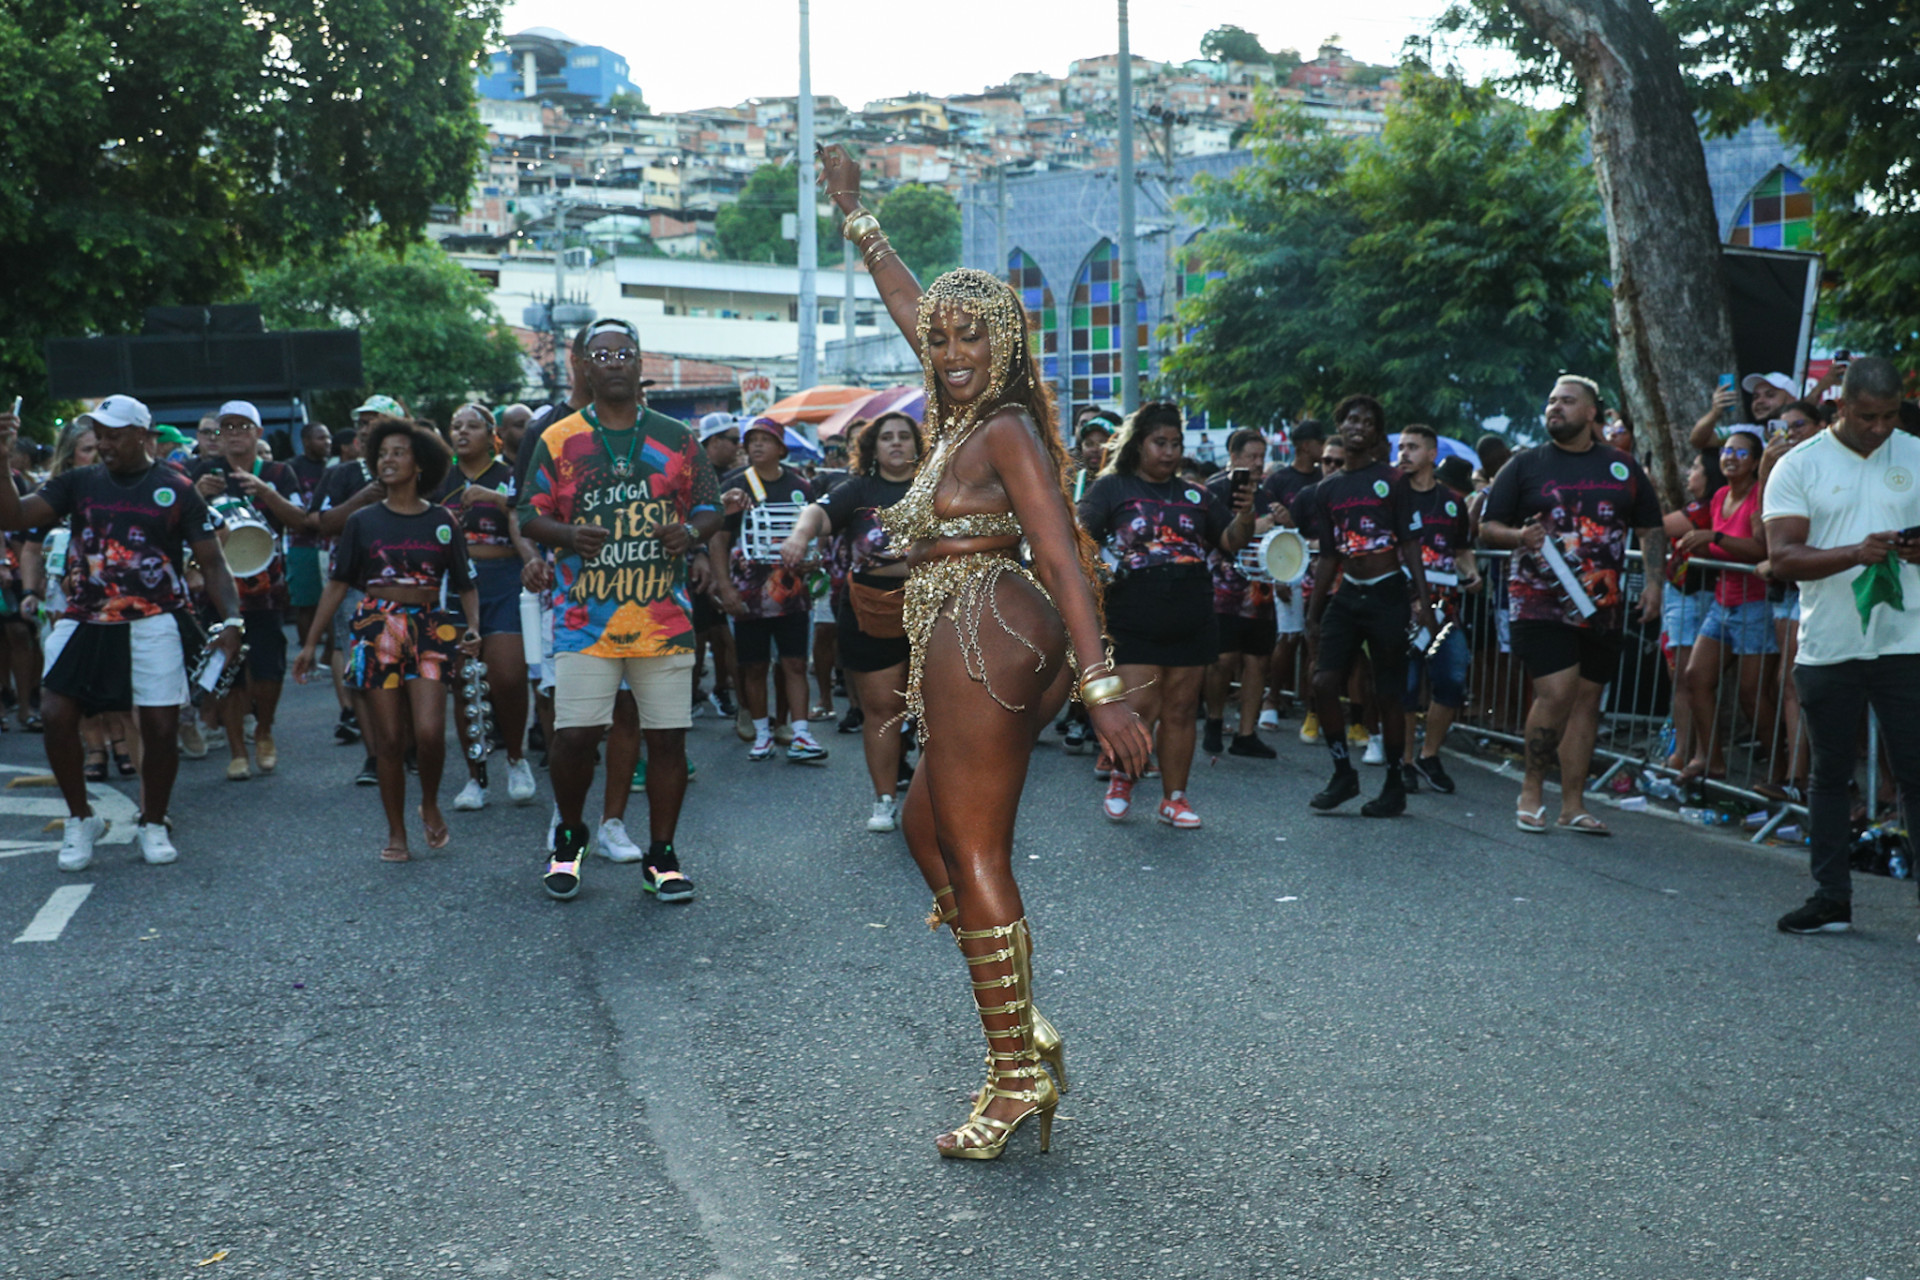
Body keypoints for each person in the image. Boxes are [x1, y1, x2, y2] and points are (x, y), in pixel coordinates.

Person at [821, 143, 1151, 1159]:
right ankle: (1023, 1025)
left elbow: (1062, 553)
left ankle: (1013, 1076)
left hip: (986, 635)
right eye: (944, 337)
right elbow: (908, 301)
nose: (954, 348)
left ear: (1006, 346)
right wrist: (857, 216)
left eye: (975, 336)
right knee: (929, 832)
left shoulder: (1001, 425)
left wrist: (1103, 691)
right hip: (955, 636)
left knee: (973, 846)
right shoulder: (951, 414)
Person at [517, 317, 723, 903]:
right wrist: (564, 534)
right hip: (584, 617)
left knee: (667, 742)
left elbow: (710, 507)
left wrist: (690, 531)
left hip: (664, 618)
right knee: (575, 735)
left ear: (639, 365)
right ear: (583, 365)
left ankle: (661, 856)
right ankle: (571, 834)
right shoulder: (560, 439)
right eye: (600, 354)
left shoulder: (677, 438)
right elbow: (527, 515)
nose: (612, 362)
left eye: (623, 352)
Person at [0, 395, 242, 871]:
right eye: (100, 436)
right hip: (86, 617)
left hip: (155, 619)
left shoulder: (176, 487)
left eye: (114, 435)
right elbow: (13, 518)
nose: (105, 444)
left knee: (160, 727)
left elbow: (213, 563)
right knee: (54, 712)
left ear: (142, 435)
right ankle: (80, 818)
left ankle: (153, 821)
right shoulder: (78, 483)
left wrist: (232, 621)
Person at [1759, 357, 1920, 935]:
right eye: (1868, 416)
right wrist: (1854, 553)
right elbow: (1781, 558)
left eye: (1891, 416)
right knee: (1829, 774)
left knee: (1916, 772)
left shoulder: (1917, 453)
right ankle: (1831, 898)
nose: (1880, 428)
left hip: (1909, 641)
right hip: (1830, 642)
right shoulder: (1797, 465)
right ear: (1841, 407)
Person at [1481, 376, 1664, 836]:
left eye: (1566, 401)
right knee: (1557, 692)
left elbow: (1652, 528)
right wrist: (1518, 536)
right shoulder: (1525, 465)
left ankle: (1573, 805)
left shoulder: (1622, 467)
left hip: (1602, 605)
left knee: (1585, 702)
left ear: (1590, 413)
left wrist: (1656, 583)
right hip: (1538, 600)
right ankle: (1530, 789)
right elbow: (1488, 527)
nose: (1554, 407)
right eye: (1551, 400)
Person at [294, 419, 479, 861]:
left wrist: (473, 628)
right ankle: (396, 832)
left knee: (431, 734)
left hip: (432, 626)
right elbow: (337, 585)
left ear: (420, 464)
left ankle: (429, 801)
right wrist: (310, 644)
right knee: (390, 739)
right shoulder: (362, 521)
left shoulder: (442, 520)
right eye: (382, 454)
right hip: (379, 625)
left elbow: (466, 583)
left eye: (398, 452)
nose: (388, 460)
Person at [1079, 403, 1255, 828]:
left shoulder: (1197, 494)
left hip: (1192, 611)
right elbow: (1081, 537)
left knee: (1179, 709)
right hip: (1134, 609)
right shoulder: (1112, 488)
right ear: (1140, 445)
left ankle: (1174, 798)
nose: (1170, 452)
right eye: (1161, 443)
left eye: (1176, 444)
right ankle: (1122, 778)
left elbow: (1230, 540)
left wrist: (1247, 511)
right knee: (1139, 706)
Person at [779, 411, 923, 830]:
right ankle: (884, 799)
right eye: (886, 437)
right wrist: (798, 536)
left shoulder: (939, 486)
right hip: (870, 609)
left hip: (936, 607)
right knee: (882, 710)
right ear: (873, 447)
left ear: (917, 444)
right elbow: (815, 514)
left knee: (939, 710)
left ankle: (938, 797)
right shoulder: (858, 488)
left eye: (904, 436)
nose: (896, 443)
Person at [1300, 395, 1434, 817]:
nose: (1359, 426)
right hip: (1347, 593)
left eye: (1368, 422)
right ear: (1339, 425)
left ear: (1377, 433)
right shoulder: (1327, 489)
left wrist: (1424, 602)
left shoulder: (1393, 481)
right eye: (1351, 419)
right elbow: (1328, 556)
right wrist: (1313, 613)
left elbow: (1410, 544)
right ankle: (1343, 773)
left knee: (1388, 693)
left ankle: (1394, 782)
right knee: (1322, 682)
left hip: (1387, 592)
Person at [188, 400, 304, 780]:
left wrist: (266, 492)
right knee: (227, 671)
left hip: (265, 588)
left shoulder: (278, 472)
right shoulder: (201, 472)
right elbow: (177, 526)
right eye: (226, 427)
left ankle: (265, 730)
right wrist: (197, 496)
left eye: (243, 426)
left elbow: (301, 520)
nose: (234, 433)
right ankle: (237, 750)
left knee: (269, 669)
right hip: (218, 591)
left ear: (258, 432)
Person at [434, 403, 538, 811]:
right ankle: (476, 777)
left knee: (509, 677)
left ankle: (515, 758)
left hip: (504, 582)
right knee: (464, 683)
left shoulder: (510, 477)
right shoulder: (439, 481)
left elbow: (526, 521)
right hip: (455, 588)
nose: (462, 433)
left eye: (472, 426)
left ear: (492, 435)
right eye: (455, 426)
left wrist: (496, 499)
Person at [712, 419, 825, 763]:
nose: (758, 446)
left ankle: (800, 732)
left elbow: (816, 533)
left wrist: (814, 558)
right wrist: (725, 586)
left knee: (793, 663)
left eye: (766, 440)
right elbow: (718, 539)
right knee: (754, 666)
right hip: (748, 594)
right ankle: (761, 733)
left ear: (781, 448)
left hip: (792, 591)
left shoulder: (801, 486)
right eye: (752, 441)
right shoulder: (734, 486)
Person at [1675, 429, 1778, 781]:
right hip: (1723, 602)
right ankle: (1711, 759)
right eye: (1727, 450)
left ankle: (1782, 773)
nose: (1731, 456)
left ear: (1755, 463)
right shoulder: (1719, 496)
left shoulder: (1759, 496)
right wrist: (1693, 548)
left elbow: (1761, 551)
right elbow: (1719, 550)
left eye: (1741, 452)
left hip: (1756, 605)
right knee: (1695, 677)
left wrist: (1715, 537)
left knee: (1753, 694)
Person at [1394, 425, 1480, 793]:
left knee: (1451, 680)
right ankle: (1405, 761)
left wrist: (1472, 571)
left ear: (1432, 454)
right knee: (1407, 686)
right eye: (1401, 447)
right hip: (1401, 609)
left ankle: (1430, 755)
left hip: (1446, 610)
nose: (1404, 453)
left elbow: (1460, 548)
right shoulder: (1391, 496)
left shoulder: (1452, 501)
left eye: (1412, 447)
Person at [1753, 401, 1824, 801]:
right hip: (1787, 592)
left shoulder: (1830, 468)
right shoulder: (1785, 470)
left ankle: (1803, 780)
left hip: (1816, 588)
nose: (1790, 433)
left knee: (1797, 682)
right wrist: (1765, 470)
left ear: (1822, 426)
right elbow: (1762, 535)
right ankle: (1795, 776)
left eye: (1799, 425)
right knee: (1787, 681)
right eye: (1783, 428)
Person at [1200, 427, 1278, 760]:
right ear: (1234, 457)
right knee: (1222, 661)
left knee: (1257, 661)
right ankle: (1214, 721)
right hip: (1220, 588)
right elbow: (1202, 537)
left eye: (1262, 456)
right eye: (1252, 456)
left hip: (1260, 590)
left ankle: (1247, 733)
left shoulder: (1267, 494)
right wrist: (1253, 526)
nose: (1259, 463)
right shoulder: (1213, 490)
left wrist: (1283, 523)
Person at [1255, 420, 1326, 732]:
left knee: (1316, 640)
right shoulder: (1279, 480)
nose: (1326, 450)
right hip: (1287, 567)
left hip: (1321, 565)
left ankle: (1316, 709)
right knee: (1288, 636)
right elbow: (1269, 528)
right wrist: (1278, 577)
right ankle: (1271, 699)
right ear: (1306, 446)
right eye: (1321, 443)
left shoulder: (1327, 478)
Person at [1658, 452, 1718, 772]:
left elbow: (1660, 523)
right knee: (1679, 676)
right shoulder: (1700, 506)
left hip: (1697, 596)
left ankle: (1690, 751)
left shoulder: (1706, 508)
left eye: (1695, 467)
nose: (1689, 472)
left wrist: (1645, 490)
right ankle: (1681, 749)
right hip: (1681, 593)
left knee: (1686, 676)